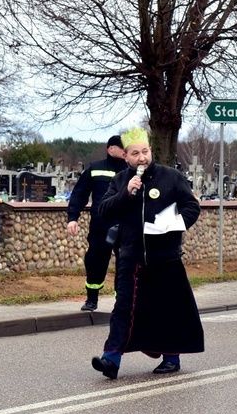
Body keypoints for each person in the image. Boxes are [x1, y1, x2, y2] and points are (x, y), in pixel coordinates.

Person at [91, 126, 203, 379]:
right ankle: (111, 359)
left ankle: (171, 358)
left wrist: (176, 223)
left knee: (168, 309)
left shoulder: (170, 177)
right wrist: (125, 193)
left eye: (144, 152)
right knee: (123, 308)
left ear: (150, 151)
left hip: (166, 258)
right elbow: (104, 212)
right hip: (131, 258)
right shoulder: (120, 181)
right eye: (134, 153)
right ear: (126, 157)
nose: (141, 158)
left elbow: (191, 207)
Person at [67, 135, 127, 311]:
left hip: (125, 226)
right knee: (96, 262)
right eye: (122, 147)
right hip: (101, 226)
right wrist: (72, 217)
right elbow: (79, 194)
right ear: (111, 149)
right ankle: (92, 299)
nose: (125, 151)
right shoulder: (95, 169)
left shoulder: (132, 169)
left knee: (125, 264)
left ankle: (122, 302)